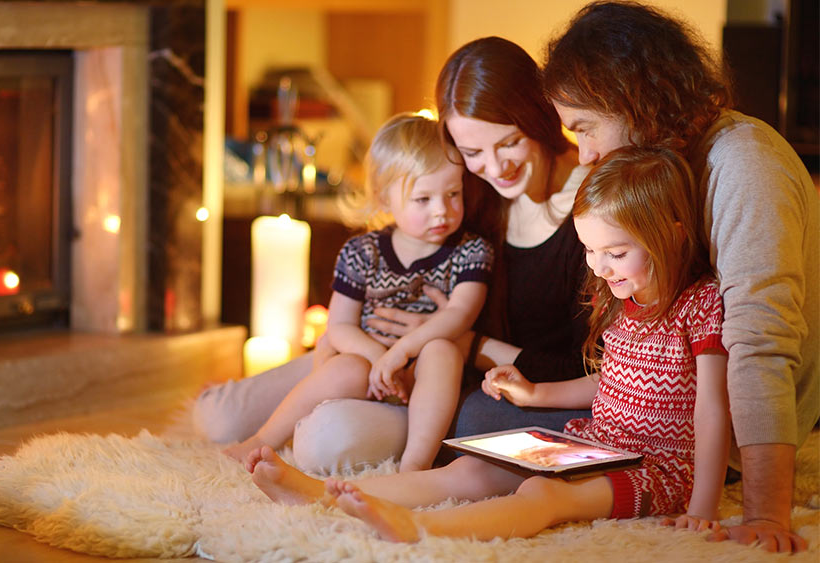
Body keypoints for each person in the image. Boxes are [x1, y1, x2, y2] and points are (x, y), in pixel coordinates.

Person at [247, 146, 731, 544]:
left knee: (544, 497)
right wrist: (535, 394)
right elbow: (613, 381)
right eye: (589, 250)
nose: (600, 267)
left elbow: (712, 406)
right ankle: (319, 494)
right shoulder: (623, 301)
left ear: (671, 237)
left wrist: (703, 506)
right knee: (470, 472)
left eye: (616, 253)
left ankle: (418, 528)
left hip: (659, 469)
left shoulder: (701, 304)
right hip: (597, 445)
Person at [194, 37, 593, 470]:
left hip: (456, 379)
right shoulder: (466, 187)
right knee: (219, 417)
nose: (496, 168)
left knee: (324, 439)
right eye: (473, 152)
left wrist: (466, 342)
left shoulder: (594, 212)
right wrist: (348, 346)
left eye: (510, 142)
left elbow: (590, 372)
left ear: (539, 116)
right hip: (378, 351)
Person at [541, 1, 819, 553]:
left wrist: (764, 514)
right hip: (658, 411)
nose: (585, 152)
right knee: (492, 430)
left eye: (585, 128)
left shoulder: (744, 164)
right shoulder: (664, 163)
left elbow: (760, 343)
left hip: (710, 439)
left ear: (631, 98)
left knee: (485, 423)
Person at [223, 113, 491, 471]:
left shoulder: (471, 251)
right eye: (423, 199)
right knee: (346, 366)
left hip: (423, 376)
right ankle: (263, 438)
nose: (442, 210)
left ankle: (414, 465)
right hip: (369, 369)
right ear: (384, 199)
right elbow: (340, 325)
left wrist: (401, 353)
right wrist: (379, 358)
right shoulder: (362, 252)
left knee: (442, 351)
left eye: (453, 194)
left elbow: (460, 314)